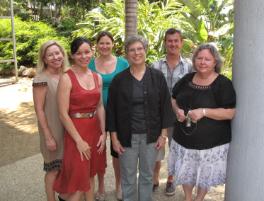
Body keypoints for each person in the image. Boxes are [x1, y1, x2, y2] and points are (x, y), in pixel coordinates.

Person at [106, 35, 174, 201]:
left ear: (145, 51)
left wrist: (163, 134)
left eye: (139, 49)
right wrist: (114, 139)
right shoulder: (119, 80)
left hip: (151, 137)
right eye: (132, 50)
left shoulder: (157, 77)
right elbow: (111, 111)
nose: (136, 53)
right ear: (126, 54)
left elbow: (165, 106)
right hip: (125, 137)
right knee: (128, 177)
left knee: (146, 176)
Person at [169, 43, 236, 201]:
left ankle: (198, 198)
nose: (203, 62)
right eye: (199, 58)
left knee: (204, 173)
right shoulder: (187, 79)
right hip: (183, 139)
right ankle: (188, 198)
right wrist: (177, 110)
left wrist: (204, 112)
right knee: (187, 171)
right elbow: (173, 98)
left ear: (215, 62)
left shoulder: (223, 84)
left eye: (207, 59)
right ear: (194, 60)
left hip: (210, 144)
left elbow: (230, 113)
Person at [53, 37, 107, 201]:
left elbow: (99, 107)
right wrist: (78, 140)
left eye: (87, 52)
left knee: (90, 174)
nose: (84, 56)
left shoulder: (97, 77)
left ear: (92, 51)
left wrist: (104, 133)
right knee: (80, 178)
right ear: (72, 55)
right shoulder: (66, 78)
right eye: (79, 53)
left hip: (95, 130)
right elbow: (63, 113)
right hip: (76, 132)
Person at [89, 31, 129, 201]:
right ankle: (101, 186)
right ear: (96, 45)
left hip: (118, 114)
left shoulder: (122, 63)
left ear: (113, 44)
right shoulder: (90, 64)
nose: (104, 46)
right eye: (101, 43)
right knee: (98, 151)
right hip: (95, 114)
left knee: (116, 151)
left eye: (108, 43)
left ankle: (119, 185)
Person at [151, 28, 192, 195]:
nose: (173, 44)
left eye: (176, 41)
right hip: (158, 115)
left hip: (179, 116)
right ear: (165, 43)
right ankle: (154, 178)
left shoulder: (189, 66)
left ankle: (171, 179)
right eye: (170, 41)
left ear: (181, 43)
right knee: (156, 148)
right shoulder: (155, 65)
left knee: (176, 149)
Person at [33, 40, 68, 201]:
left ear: (63, 54)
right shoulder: (41, 79)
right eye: (50, 55)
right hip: (52, 130)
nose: (55, 57)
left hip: (67, 129)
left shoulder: (67, 75)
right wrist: (48, 136)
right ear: (44, 59)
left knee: (66, 167)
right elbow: (39, 110)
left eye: (57, 53)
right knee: (53, 169)